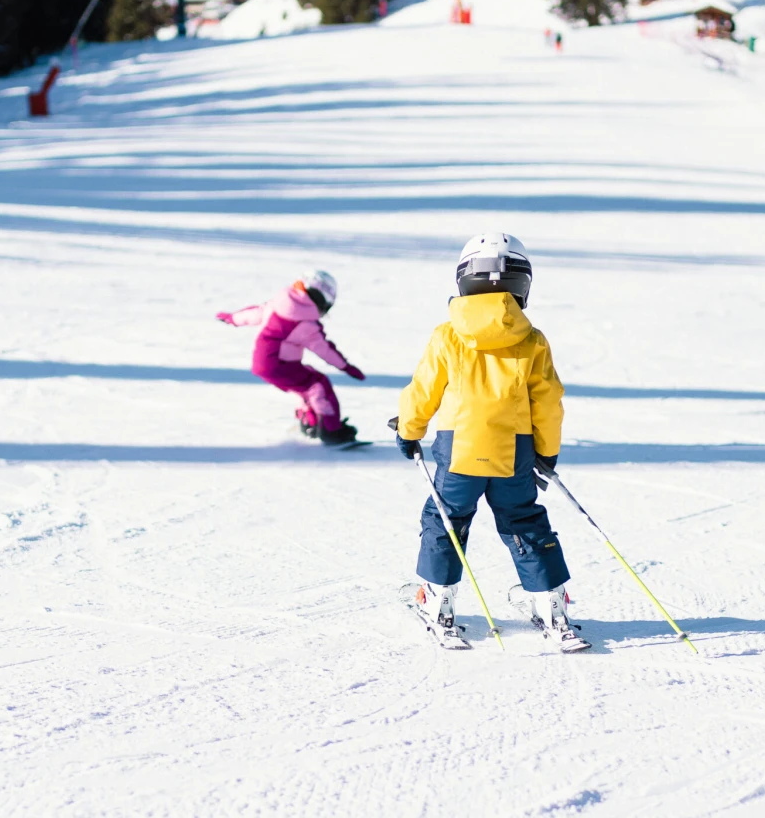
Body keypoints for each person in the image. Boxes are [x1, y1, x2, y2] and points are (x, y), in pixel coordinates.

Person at [393, 234, 589, 651]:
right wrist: (547, 451)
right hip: (513, 450)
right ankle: (551, 607)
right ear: (522, 285)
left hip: (459, 449)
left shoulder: (448, 335)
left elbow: (424, 389)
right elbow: (548, 402)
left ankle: (438, 602)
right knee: (523, 520)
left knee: (447, 518)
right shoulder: (532, 339)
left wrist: (409, 430)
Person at [217, 270, 364, 446]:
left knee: (303, 386)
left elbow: (252, 314)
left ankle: (310, 422)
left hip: (261, 363)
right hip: (279, 364)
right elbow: (325, 350)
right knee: (318, 385)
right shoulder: (306, 324)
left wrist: (232, 318)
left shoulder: (275, 305)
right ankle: (332, 431)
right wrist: (346, 367)